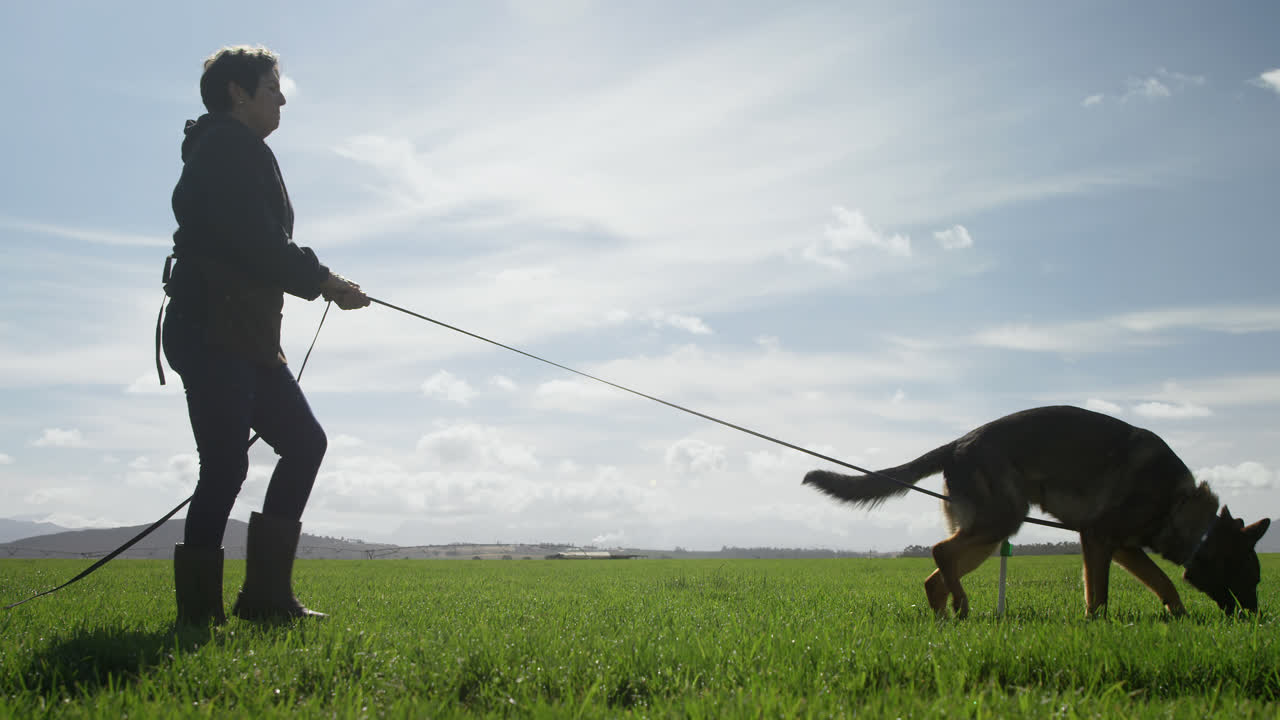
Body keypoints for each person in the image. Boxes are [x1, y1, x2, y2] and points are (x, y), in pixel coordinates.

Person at [162, 45, 369, 626]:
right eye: (273, 87)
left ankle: (265, 599)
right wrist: (324, 281)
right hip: (212, 329)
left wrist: (319, 279)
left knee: (304, 443)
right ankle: (199, 618)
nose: (281, 98)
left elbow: (257, 245)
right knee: (226, 469)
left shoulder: (236, 150)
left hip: (245, 333)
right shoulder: (226, 148)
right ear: (238, 92)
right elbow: (257, 241)